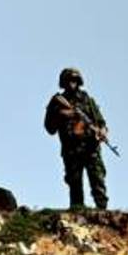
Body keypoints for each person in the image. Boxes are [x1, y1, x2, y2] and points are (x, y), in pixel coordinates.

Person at [44, 67, 110, 209]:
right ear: (63, 83)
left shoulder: (88, 101)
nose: (71, 83)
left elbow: (100, 122)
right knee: (75, 184)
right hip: (71, 150)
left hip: (91, 148)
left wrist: (102, 132)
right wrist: (62, 114)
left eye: (74, 80)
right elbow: (50, 128)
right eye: (68, 80)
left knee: (97, 180)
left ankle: (103, 212)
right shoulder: (57, 102)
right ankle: (77, 212)